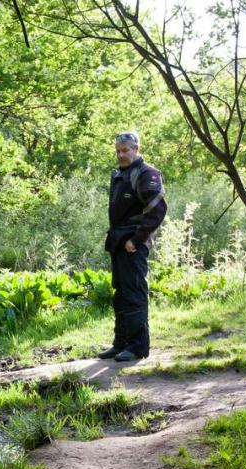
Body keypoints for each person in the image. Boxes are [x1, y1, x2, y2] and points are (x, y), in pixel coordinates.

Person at [99, 131, 166, 363]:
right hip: (117, 241)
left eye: (125, 150)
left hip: (133, 243)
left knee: (135, 292)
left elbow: (157, 210)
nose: (121, 154)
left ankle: (138, 347)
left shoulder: (148, 173)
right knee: (120, 293)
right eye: (118, 151)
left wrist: (135, 240)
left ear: (136, 148)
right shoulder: (118, 174)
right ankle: (121, 344)